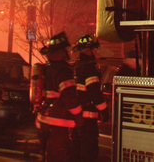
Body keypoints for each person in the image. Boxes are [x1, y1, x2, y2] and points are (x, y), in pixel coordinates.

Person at [36, 32, 81, 162]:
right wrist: (79, 117)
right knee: (59, 157)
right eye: (64, 50)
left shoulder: (46, 68)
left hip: (43, 122)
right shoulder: (64, 71)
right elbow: (70, 99)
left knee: (47, 157)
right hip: (59, 125)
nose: (66, 53)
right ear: (60, 52)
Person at [72, 34, 107, 162]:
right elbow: (94, 93)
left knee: (76, 149)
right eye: (94, 49)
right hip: (88, 119)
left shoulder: (76, 66)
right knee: (89, 151)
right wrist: (104, 111)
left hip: (76, 116)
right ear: (89, 51)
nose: (96, 51)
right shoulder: (90, 68)